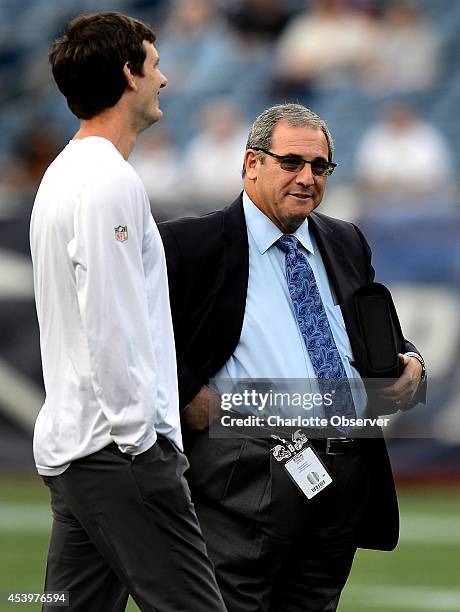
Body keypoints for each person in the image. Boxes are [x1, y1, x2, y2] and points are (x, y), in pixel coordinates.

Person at [159, 103, 427, 612]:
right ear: (251, 163)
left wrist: (410, 361)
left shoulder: (344, 238)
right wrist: (187, 394)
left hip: (344, 470)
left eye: (320, 166)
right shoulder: (189, 244)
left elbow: (375, 334)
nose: (307, 178)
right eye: (291, 163)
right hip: (244, 465)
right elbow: (143, 338)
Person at [30, 12, 227, 612]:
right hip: (117, 453)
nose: (163, 79)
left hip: (83, 449)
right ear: (128, 74)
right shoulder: (107, 180)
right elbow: (108, 320)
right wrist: (141, 441)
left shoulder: (65, 173)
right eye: (155, 63)